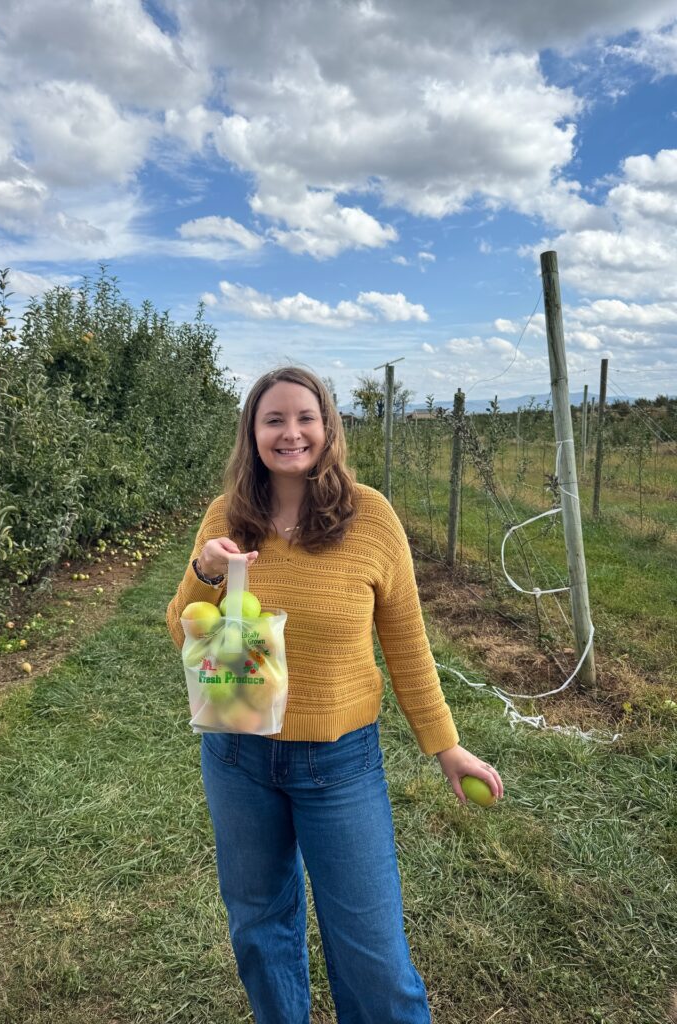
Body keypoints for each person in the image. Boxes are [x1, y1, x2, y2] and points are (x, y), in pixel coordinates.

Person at [166, 366, 503, 1024]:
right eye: (273, 420)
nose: (290, 432)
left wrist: (447, 747)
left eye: (304, 418)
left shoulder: (370, 518)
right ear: (252, 432)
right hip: (239, 754)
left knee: (372, 953)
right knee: (261, 931)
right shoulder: (228, 515)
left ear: (327, 427)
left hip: (340, 762)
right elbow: (183, 629)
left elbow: (406, 644)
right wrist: (205, 570)